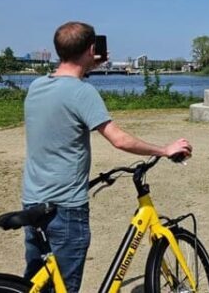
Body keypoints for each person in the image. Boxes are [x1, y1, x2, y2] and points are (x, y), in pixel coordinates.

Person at [22, 21, 192, 292]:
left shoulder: (37, 86)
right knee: (64, 286)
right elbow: (119, 139)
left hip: (33, 201)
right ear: (92, 49)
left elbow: (66, 91)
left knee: (37, 284)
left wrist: (88, 65)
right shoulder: (82, 92)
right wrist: (164, 149)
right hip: (65, 207)